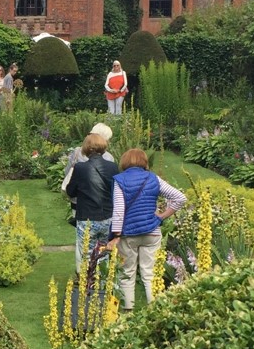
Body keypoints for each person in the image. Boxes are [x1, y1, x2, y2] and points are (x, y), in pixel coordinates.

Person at [109, 148, 187, 312]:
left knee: (127, 273)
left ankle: (128, 312)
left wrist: (115, 235)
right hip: (152, 231)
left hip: (128, 234)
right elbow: (180, 197)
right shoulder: (153, 178)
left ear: (124, 162)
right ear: (144, 161)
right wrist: (161, 216)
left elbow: (118, 210)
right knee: (150, 273)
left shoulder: (119, 180)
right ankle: (155, 311)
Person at [65, 133, 119, 272]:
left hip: (87, 218)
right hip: (107, 216)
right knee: (104, 254)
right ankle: (103, 287)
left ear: (86, 148)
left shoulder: (80, 168)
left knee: (86, 255)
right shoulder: (113, 167)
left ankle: (87, 288)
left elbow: (70, 191)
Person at [61, 123, 115, 222]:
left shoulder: (77, 152)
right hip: (103, 206)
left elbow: (67, 173)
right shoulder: (109, 158)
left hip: (80, 204)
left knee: (84, 235)